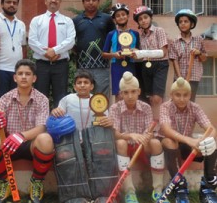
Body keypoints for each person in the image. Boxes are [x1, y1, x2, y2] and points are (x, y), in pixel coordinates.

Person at [0, 59, 55, 203]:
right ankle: (5, 183)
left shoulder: (42, 99)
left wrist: (21, 136)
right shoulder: (5, 98)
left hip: (31, 145)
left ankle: (37, 182)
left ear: (34, 78)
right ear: (14, 77)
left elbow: (42, 127)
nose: (23, 77)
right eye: (20, 74)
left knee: (46, 139)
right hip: (9, 145)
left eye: (27, 74)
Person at [50, 69, 117, 203]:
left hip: (93, 142)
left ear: (91, 86)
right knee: (70, 162)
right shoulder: (67, 99)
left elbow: (106, 122)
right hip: (71, 143)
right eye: (79, 82)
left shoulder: (99, 100)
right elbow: (57, 117)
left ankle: (102, 194)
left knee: (102, 159)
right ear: (74, 86)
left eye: (86, 82)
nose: (82, 85)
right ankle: (74, 196)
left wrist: (109, 122)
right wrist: (55, 111)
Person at [109, 71, 167, 203]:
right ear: (121, 94)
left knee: (156, 143)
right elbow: (115, 133)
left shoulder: (146, 107)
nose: (130, 96)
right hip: (125, 147)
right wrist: (130, 135)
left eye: (133, 91)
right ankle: (130, 192)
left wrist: (146, 136)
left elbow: (150, 132)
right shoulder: (114, 108)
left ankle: (158, 192)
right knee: (121, 143)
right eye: (126, 92)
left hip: (142, 146)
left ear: (139, 91)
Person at [160, 77, 217, 203]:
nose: (182, 99)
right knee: (169, 141)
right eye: (178, 95)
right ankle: (179, 187)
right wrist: (189, 140)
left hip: (188, 147)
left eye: (185, 95)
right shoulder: (165, 107)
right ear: (171, 95)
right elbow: (166, 130)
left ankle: (208, 188)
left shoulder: (195, 107)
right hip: (170, 148)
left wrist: (206, 140)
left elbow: (212, 129)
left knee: (211, 143)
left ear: (190, 95)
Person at [28, 0, 75, 108]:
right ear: (45, 1)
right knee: (40, 96)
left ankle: (58, 125)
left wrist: (54, 50)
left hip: (61, 65)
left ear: (60, 1)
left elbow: (70, 41)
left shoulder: (67, 21)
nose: (53, 0)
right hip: (41, 65)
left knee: (61, 97)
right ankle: (41, 124)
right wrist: (46, 53)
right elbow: (32, 41)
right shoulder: (37, 20)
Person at [73, 0, 116, 98]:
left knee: (102, 98)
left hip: (102, 67)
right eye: (87, 0)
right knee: (83, 98)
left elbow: (113, 39)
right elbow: (71, 42)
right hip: (82, 67)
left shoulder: (107, 19)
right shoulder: (76, 20)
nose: (91, 2)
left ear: (98, 1)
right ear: (83, 2)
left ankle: (101, 116)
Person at [133, 6, 169, 121]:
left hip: (160, 65)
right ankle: (151, 125)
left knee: (157, 98)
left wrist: (141, 53)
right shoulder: (140, 35)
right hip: (146, 66)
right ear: (138, 22)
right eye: (140, 19)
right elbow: (138, 54)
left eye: (145, 17)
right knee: (149, 98)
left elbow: (163, 52)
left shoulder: (160, 30)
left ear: (150, 17)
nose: (143, 20)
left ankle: (161, 125)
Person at [0, 0, 27, 99]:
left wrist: (23, 68)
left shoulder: (21, 24)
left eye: (15, 3)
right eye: (8, 2)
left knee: (15, 102)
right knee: (0, 102)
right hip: (0, 70)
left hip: (17, 71)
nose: (12, 5)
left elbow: (24, 47)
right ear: (2, 4)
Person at [102, 3, 140, 102]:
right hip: (116, 66)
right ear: (114, 19)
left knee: (132, 94)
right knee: (119, 95)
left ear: (127, 16)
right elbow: (104, 54)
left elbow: (139, 51)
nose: (121, 17)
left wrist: (135, 52)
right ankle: (117, 117)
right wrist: (114, 54)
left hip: (131, 65)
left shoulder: (135, 34)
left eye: (123, 14)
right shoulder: (111, 34)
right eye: (118, 16)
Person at [169, 9, 207, 102]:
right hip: (179, 79)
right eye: (180, 22)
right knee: (177, 101)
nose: (183, 23)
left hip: (194, 78)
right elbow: (175, 61)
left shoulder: (199, 40)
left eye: (186, 21)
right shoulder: (175, 42)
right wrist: (180, 78)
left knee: (190, 101)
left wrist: (199, 53)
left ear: (192, 24)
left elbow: (204, 58)